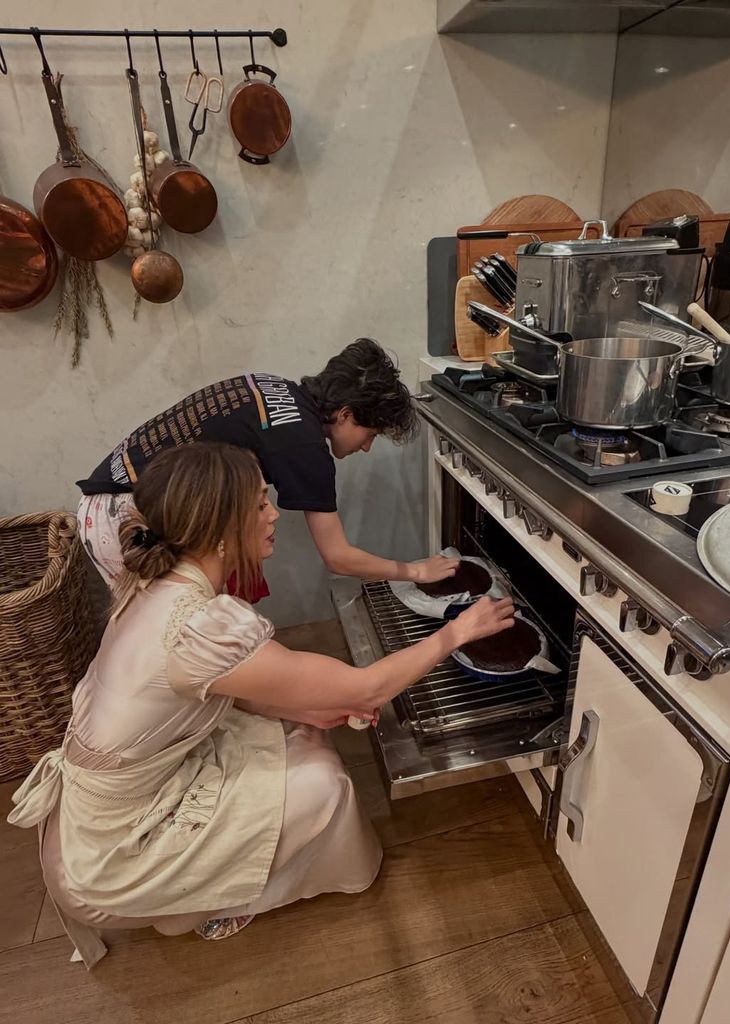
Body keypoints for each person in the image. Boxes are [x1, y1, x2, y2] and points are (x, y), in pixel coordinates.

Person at [8, 443, 515, 968]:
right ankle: (210, 899)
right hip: (111, 853)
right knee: (323, 782)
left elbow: (235, 686)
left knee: (304, 732)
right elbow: (365, 690)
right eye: (258, 505)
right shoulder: (199, 627)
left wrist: (311, 708)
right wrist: (458, 632)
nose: (274, 514)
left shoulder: (156, 583)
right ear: (220, 530)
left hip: (99, 810)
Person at [75, 338, 458, 597]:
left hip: (112, 496)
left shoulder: (277, 389)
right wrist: (416, 571)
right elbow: (338, 557)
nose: (367, 447)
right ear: (345, 414)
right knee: (171, 639)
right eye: (370, 433)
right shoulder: (305, 445)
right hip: (125, 516)